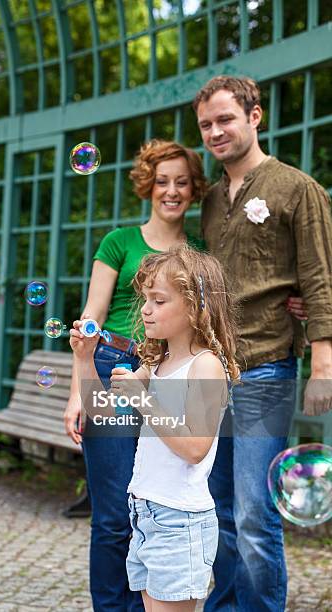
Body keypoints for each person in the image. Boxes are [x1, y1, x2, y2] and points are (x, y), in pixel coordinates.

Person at [192, 75, 332, 611]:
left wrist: (322, 361)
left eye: (225, 119)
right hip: (210, 371)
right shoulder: (208, 200)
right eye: (206, 125)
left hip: (265, 367)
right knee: (219, 510)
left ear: (255, 117)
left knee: (254, 512)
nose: (215, 132)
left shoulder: (298, 189)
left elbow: (319, 277)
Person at [64, 140, 208, 612]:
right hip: (112, 368)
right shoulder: (119, 242)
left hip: (168, 372)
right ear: (148, 184)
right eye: (162, 180)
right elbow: (93, 313)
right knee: (111, 515)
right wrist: (76, 393)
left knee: (154, 498)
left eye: (182, 182)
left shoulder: (200, 251)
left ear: (193, 189)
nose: (172, 190)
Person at [70, 243, 240, 611]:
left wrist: (143, 398)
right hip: (145, 514)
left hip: (181, 523)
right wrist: (84, 361)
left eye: (159, 300)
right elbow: (101, 416)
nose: (145, 309)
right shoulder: (157, 363)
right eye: (146, 299)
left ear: (194, 307)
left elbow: (195, 447)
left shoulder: (205, 366)